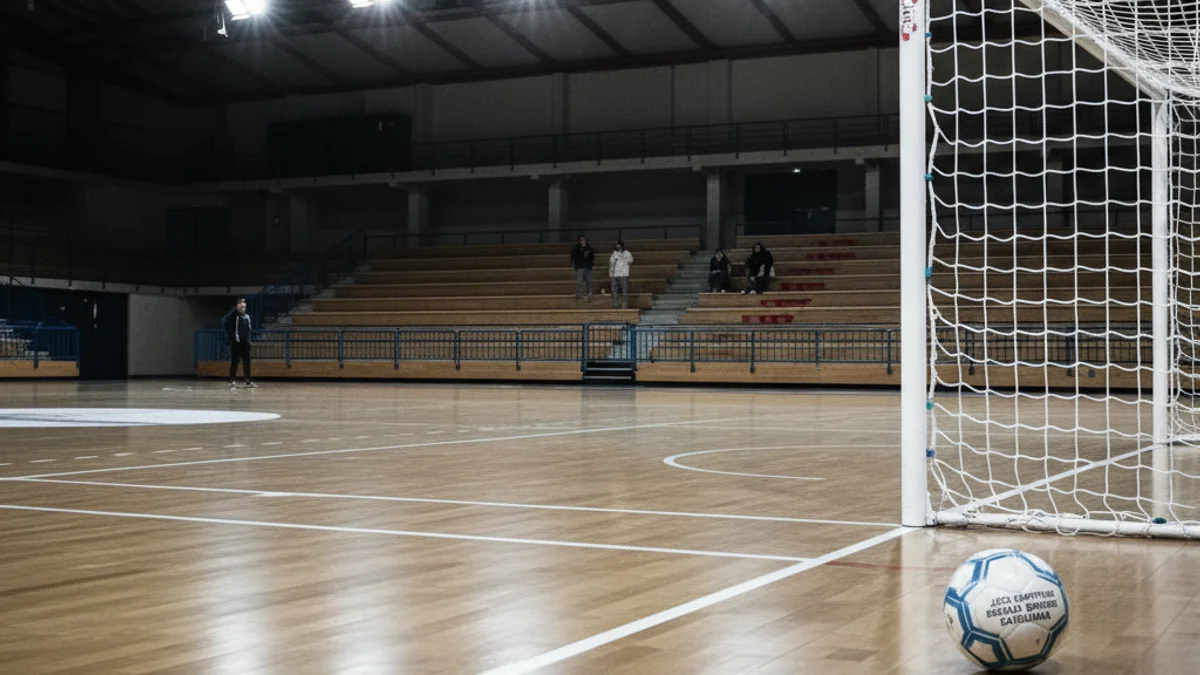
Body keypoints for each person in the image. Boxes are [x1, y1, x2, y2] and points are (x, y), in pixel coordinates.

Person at [223, 297, 256, 389]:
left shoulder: (247, 317)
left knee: (247, 362)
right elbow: (225, 322)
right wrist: (232, 338)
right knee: (235, 362)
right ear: (236, 305)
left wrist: (249, 341)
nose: (242, 304)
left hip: (245, 343)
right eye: (240, 303)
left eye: (243, 302)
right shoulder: (233, 316)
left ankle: (248, 382)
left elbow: (248, 330)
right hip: (236, 343)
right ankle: (231, 381)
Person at [609, 240, 634, 308]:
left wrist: (624, 258)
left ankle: (624, 303)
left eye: (619, 246)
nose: (618, 247)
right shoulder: (614, 253)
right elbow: (611, 263)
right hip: (615, 274)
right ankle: (615, 303)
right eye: (617, 246)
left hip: (623, 274)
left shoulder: (627, 253)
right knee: (614, 290)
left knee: (624, 289)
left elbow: (631, 261)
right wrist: (611, 274)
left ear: (622, 246)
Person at [569, 234, 595, 301]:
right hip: (579, 267)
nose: (582, 241)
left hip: (587, 267)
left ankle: (589, 293)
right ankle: (579, 294)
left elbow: (592, 257)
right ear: (579, 241)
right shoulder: (576, 249)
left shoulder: (589, 248)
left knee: (588, 281)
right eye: (581, 240)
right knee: (579, 281)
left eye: (584, 240)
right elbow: (573, 257)